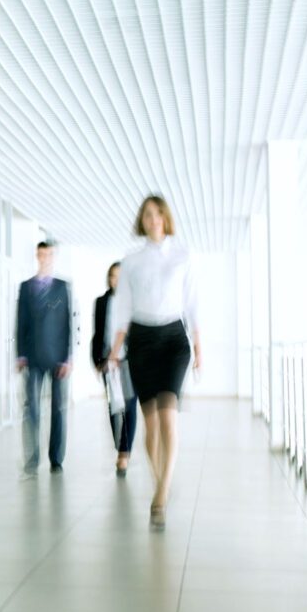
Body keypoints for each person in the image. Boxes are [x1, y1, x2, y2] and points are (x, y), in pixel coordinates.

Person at [108, 195, 200, 530]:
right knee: (150, 426)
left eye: (158, 213)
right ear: (142, 220)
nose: (153, 219)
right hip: (142, 341)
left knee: (168, 418)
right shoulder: (131, 261)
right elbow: (123, 307)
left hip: (174, 340)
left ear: (166, 218)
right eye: (147, 214)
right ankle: (160, 477)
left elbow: (192, 303)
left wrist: (199, 346)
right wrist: (115, 350)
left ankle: (161, 492)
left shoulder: (183, 255)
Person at [16, 242, 72, 475]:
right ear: (37, 256)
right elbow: (20, 322)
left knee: (58, 408)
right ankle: (31, 458)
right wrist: (20, 354)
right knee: (31, 409)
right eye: (41, 254)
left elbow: (68, 323)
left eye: (49, 254)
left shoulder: (62, 287)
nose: (45, 258)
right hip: (32, 356)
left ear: (54, 256)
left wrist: (68, 357)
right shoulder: (26, 287)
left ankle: (56, 458)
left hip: (58, 357)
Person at [92, 262, 138, 476]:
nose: (116, 280)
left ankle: (124, 453)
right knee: (113, 407)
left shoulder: (133, 303)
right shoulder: (101, 302)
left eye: (120, 276)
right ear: (108, 279)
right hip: (107, 363)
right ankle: (119, 446)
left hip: (127, 361)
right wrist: (96, 359)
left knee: (128, 406)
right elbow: (97, 332)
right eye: (113, 276)